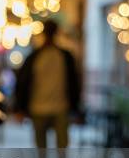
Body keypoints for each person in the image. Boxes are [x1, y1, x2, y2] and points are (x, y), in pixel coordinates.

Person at [14, 20, 80, 149]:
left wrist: (75, 108)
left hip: (58, 108)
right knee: (47, 149)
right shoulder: (37, 56)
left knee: (54, 149)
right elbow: (23, 82)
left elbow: (74, 83)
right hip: (40, 108)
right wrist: (20, 108)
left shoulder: (63, 56)